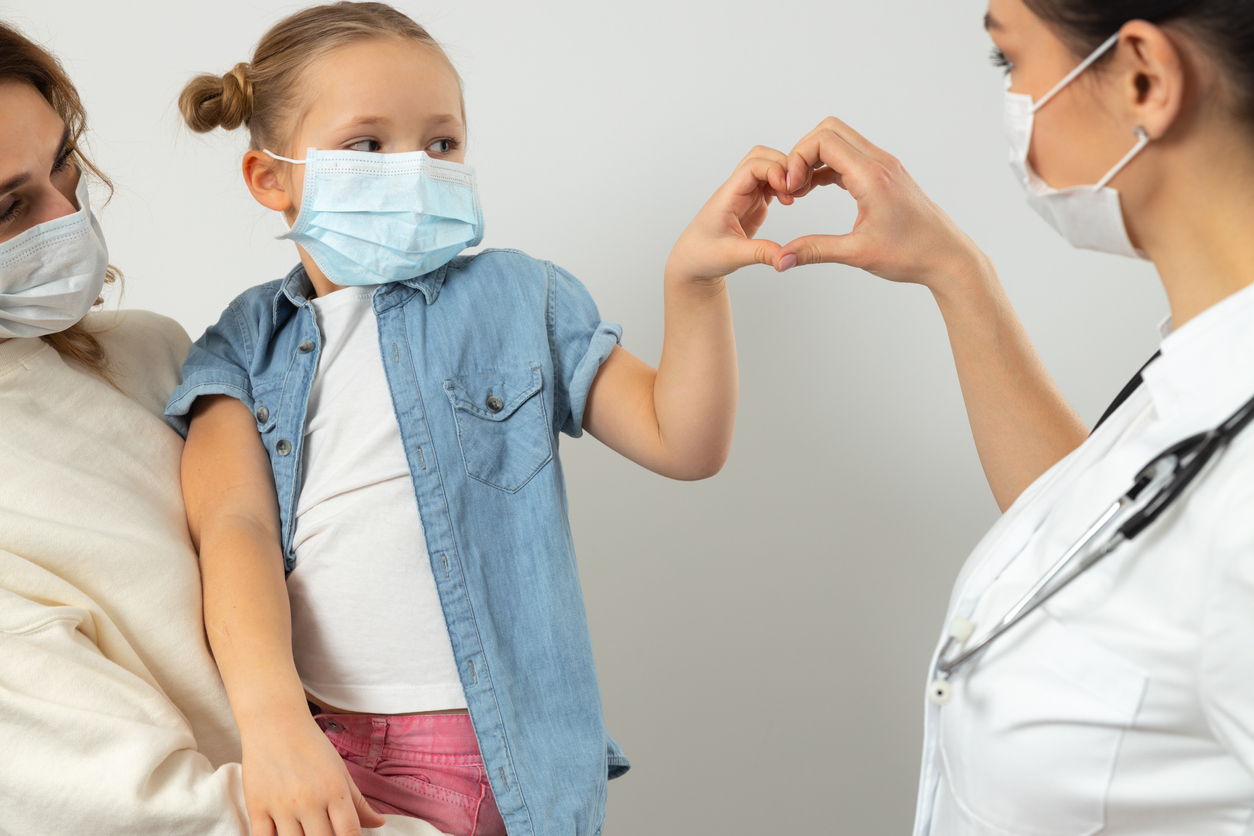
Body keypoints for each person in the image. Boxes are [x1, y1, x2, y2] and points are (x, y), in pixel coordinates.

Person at [168, 4, 791, 836]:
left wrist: (695, 284)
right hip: (325, 755)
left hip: (508, 759)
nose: (415, 170)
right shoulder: (244, 345)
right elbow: (233, 527)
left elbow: (684, 441)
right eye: (367, 145)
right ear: (270, 178)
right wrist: (273, 722)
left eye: (441, 143)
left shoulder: (521, 297)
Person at [768, 0, 1254, 833]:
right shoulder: (1202, 374)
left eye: (1009, 60)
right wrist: (954, 274)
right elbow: (1099, 545)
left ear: (1144, 78)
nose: (1011, 100)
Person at [0, 19, 442, 836]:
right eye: (8, 206)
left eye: (64, 163)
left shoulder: (156, 354)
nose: (68, 218)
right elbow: (148, 814)